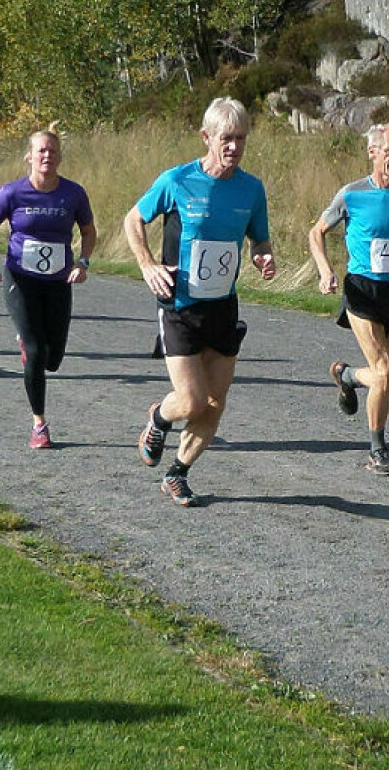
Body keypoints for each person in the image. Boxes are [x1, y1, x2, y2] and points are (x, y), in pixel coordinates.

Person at [124, 97, 276, 507]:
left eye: (241, 139)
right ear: (206, 137)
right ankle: (159, 417)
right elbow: (133, 219)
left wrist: (263, 254)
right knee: (190, 400)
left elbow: (258, 236)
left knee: (214, 402)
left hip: (223, 307)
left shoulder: (251, 188)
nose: (234, 147)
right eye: (226, 138)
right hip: (179, 305)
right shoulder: (177, 180)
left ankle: (178, 472)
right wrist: (148, 264)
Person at [308, 123, 389, 476]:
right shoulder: (351, 195)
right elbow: (316, 232)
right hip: (361, 290)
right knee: (381, 373)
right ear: (373, 152)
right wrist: (325, 270)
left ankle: (347, 376)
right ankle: (377, 451)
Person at [0, 125, 96, 449]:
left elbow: (88, 231)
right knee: (34, 351)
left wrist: (83, 263)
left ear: (59, 157)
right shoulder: (12, 193)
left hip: (58, 281)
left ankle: (32, 348)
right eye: (41, 150)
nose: (46, 155)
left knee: (52, 358)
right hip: (21, 279)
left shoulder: (73, 194)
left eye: (52, 150)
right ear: (29, 156)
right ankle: (39, 426)